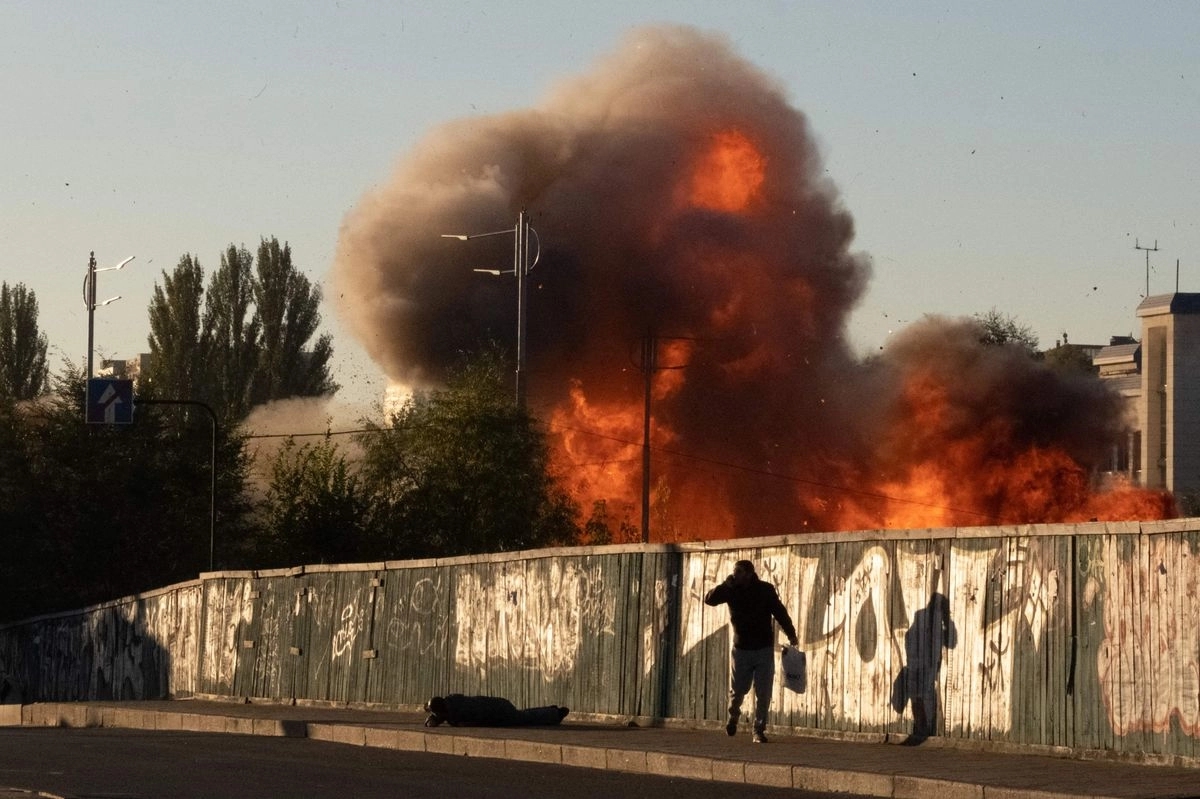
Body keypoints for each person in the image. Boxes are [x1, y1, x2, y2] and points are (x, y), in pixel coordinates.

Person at [704, 559, 798, 743]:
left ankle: (758, 730)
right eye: (734, 572)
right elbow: (709, 600)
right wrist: (725, 585)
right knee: (738, 690)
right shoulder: (731, 590)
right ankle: (733, 716)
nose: (735, 575)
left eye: (738, 572)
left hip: (763, 648)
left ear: (748, 574)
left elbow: (779, 612)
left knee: (763, 692)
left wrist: (791, 634)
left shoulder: (764, 590)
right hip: (741, 650)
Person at [423, 694, 570, 727]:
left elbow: (467, 721)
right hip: (497, 705)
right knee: (524, 715)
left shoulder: (459, 712)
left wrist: (437, 719)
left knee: (524, 718)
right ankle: (552, 711)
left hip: (498, 712)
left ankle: (555, 714)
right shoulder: (452, 701)